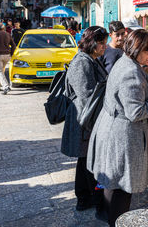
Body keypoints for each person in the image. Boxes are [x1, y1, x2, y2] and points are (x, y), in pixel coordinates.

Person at [87, 29, 148, 227]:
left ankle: (107, 215)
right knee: (122, 184)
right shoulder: (130, 72)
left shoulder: (126, 62)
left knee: (112, 179)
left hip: (113, 128)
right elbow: (136, 112)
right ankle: (117, 220)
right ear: (136, 50)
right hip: (122, 134)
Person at [60, 26, 108, 213]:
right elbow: (88, 95)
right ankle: (94, 199)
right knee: (89, 161)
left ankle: (84, 198)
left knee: (85, 160)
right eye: (101, 43)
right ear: (91, 43)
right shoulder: (82, 62)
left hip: (88, 118)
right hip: (85, 120)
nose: (105, 46)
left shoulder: (91, 60)